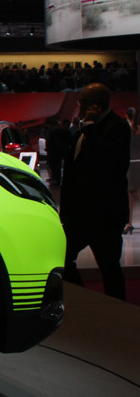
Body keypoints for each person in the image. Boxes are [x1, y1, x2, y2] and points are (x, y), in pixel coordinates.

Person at [60, 84, 131, 300]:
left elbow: (110, 163)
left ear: (96, 106)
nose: (79, 107)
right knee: (63, 258)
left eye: (82, 103)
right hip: (79, 215)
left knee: (109, 268)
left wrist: (90, 128)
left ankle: (117, 309)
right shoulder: (83, 129)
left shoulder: (117, 127)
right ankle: (85, 298)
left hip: (105, 215)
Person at [46, 118, 72, 186]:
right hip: (60, 152)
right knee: (57, 165)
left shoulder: (57, 132)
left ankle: (57, 178)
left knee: (56, 165)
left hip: (57, 152)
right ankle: (57, 178)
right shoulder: (65, 132)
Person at [127, 106, 140, 235]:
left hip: (131, 163)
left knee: (130, 195)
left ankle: (129, 223)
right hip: (139, 162)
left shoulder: (129, 129)